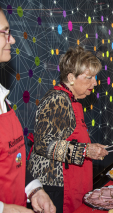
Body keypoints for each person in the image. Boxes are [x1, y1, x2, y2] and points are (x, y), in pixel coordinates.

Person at [27, 46, 113, 213]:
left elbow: (71, 140)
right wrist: (85, 151)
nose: (94, 83)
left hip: (71, 181)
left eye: (95, 77)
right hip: (55, 184)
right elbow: (43, 144)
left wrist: (92, 148)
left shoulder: (73, 100)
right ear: (71, 78)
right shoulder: (57, 99)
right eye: (89, 77)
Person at [0, 7, 56, 213]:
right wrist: (5, 209)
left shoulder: (3, 98)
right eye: (5, 32)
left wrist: (34, 190)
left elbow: (15, 160)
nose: (12, 40)